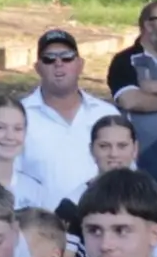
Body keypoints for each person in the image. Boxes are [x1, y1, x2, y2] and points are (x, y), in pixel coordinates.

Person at [17, 28, 111, 209]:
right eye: (49, 59)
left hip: (98, 227)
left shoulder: (107, 114)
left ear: (80, 64)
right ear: (38, 68)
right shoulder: (18, 117)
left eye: (67, 57)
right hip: (38, 229)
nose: (58, 63)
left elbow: (127, 173)